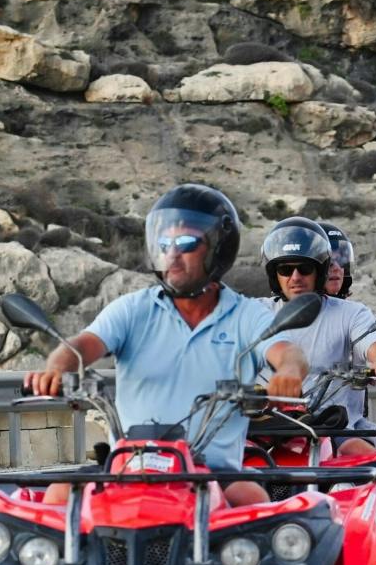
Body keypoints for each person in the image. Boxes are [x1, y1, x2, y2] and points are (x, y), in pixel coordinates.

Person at [23, 183, 309, 507]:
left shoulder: (245, 315)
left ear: (218, 247)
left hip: (215, 473)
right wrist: (57, 368)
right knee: (59, 496)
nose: (172, 253)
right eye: (164, 243)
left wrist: (288, 372)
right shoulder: (133, 309)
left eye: (186, 242)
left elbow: (288, 352)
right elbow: (80, 346)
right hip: (130, 467)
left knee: (253, 498)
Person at [262, 216, 376, 451]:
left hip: (333, 428)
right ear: (275, 274)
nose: (295, 277)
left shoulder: (351, 313)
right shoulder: (257, 312)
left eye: (304, 269)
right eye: (285, 269)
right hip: (266, 428)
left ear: (318, 270)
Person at [322, 222, 356, 299]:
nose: (337, 268)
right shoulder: (295, 310)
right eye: (329, 262)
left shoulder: (357, 310)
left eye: (341, 260)